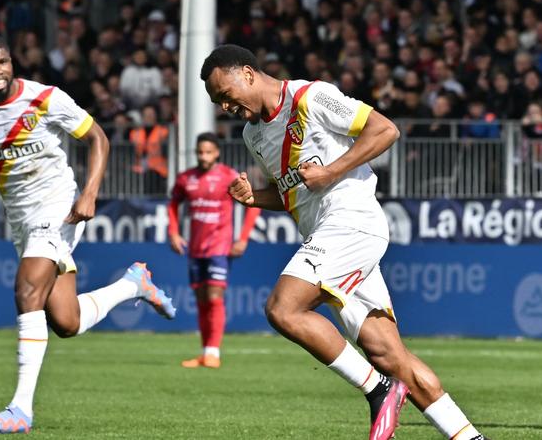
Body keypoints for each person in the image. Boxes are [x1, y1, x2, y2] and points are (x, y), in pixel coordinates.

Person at [201, 45, 488, 440]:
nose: (224, 106)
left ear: (248, 74)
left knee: (283, 309)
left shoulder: (310, 97)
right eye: (217, 102)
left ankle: (378, 390)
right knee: (389, 354)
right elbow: (293, 194)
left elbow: (385, 129)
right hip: (328, 234)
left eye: (225, 94)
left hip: (353, 222)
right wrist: (255, 198)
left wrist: (332, 170)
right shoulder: (254, 135)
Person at [0, 35, 177, 434]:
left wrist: (89, 193)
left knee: (27, 291)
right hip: (20, 216)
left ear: (12, 62)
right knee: (65, 322)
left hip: (58, 206)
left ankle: (20, 409)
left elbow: (97, 137)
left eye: (2, 62)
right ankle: (132, 285)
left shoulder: (45, 98)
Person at [168, 132, 261, 369]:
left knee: (214, 297)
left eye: (208, 152)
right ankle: (205, 352)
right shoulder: (186, 178)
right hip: (195, 248)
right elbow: (173, 204)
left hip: (220, 247)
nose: (204, 156)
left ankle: (213, 352)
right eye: (200, 152)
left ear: (217, 152)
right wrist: (173, 232)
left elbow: (253, 206)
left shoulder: (228, 177)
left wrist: (242, 238)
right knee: (201, 300)